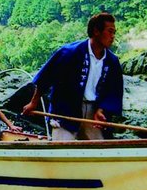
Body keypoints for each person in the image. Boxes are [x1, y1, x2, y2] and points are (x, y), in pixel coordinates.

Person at [22, 12, 123, 140]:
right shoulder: (69, 53)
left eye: (114, 32)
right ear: (96, 31)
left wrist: (102, 110)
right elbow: (46, 77)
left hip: (93, 113)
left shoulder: (112, 61)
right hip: (66, 110)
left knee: (100, 148)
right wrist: (33, 102)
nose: (113, 36)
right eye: (110, 31)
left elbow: (114, 91)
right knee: (62, 148)